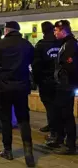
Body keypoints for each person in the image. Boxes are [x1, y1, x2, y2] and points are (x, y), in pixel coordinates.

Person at [0, 21, 35, 167]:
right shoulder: (26, 44)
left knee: (5, 119)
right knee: (23, 119)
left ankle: (8, 150)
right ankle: (28, 151)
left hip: (4, 86)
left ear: (6, 30)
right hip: (22, 86)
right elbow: (33, 59)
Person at [31, 21, 61, 140]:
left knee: (49, 106)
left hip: (46, 81)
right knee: (57, 105)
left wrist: (37, 80)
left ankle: (54, 132)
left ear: (43, 31)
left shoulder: (41, 45)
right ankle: (54, 127)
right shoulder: (60, 43)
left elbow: (36, 65)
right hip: (59, 80)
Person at [52, 20, 77, 154]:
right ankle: (60, 139)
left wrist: (62, 76)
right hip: (63, 85)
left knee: (66, 115)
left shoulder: (70, 45)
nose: (54, 33)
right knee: (60, 113)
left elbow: (70, 66)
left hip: (66, 86)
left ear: (63, 31)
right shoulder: (65, 44)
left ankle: (70, 145)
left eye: (56, 30)